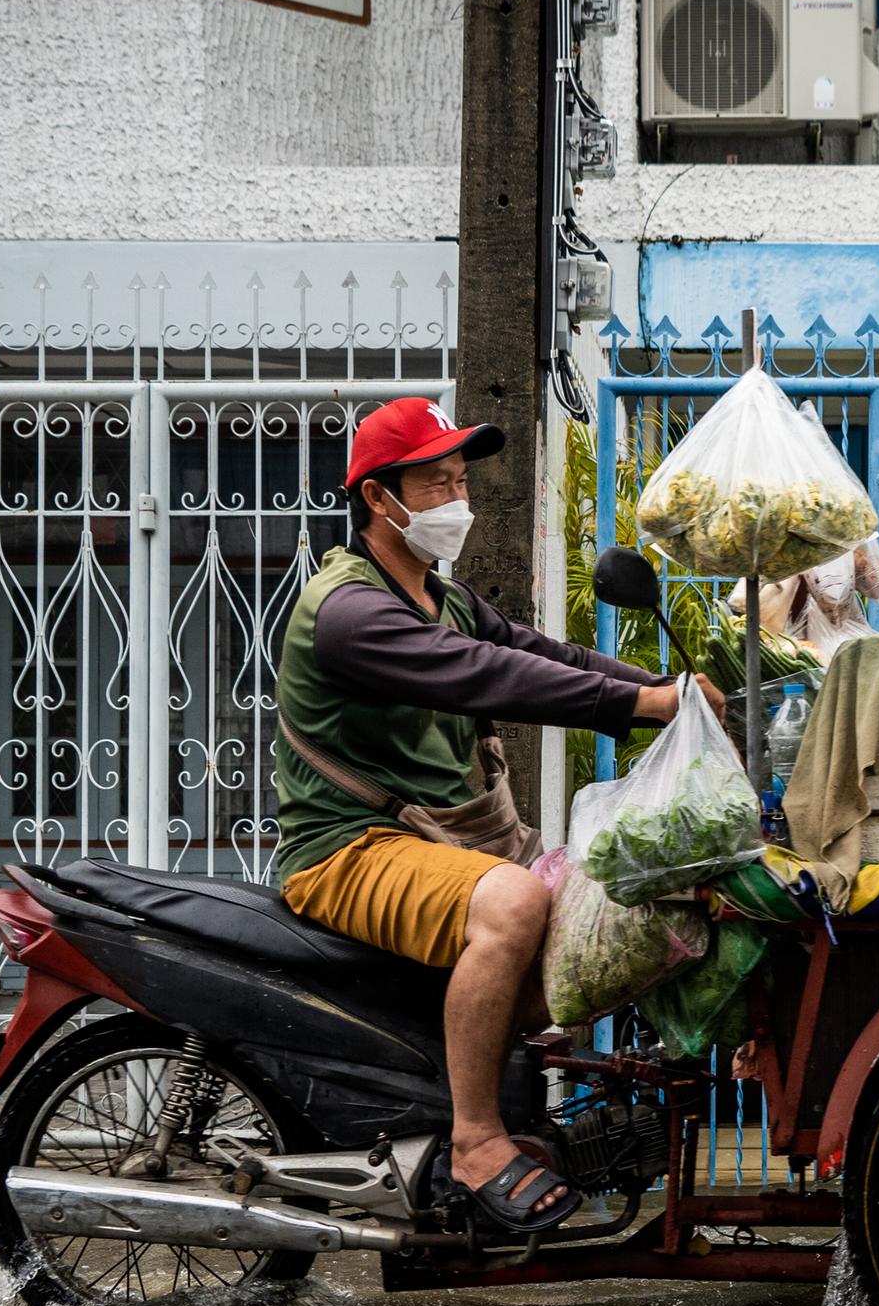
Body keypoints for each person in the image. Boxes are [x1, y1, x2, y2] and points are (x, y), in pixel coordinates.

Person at [272, 397, 723, 1234]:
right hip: (347, 848)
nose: (457, 497)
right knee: (517, 903)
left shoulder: (440, 596)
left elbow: (536, 652)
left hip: (432, 843)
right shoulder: (349, 611)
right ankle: (476, 1139)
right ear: (379, 497)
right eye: (436, 480)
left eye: (460, 478)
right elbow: (485, 675)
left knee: (604, 912)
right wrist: (642, 705)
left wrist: (670, 694)